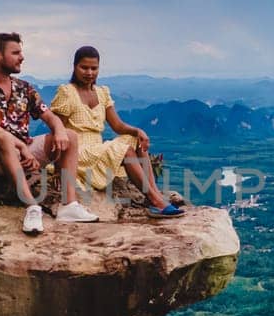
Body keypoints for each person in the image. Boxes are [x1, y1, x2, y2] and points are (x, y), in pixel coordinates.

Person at [0, 32, 99, 234]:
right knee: (2, 139)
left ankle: (69, 206)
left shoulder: (23, 88)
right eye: (16, 52)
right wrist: (20, 147)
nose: (22, 57)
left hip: (23, 150)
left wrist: (60, 130)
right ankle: (32, 207)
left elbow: (49, 116)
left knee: (70, 136)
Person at [50, 46, 184, 218]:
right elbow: (57, 129)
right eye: (84, 67)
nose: (89, 72)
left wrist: (137, 131)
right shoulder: (67, 92)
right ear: (75, 67)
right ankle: (155, 200)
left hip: (96, 148)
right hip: (78, 152)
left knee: (135, 141)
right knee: (124, 150)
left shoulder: (102, 92)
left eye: (94, 68)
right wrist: (58, 165)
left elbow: (117, 125)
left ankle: (155, 194)